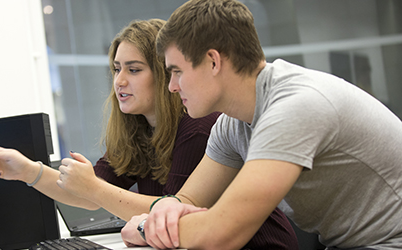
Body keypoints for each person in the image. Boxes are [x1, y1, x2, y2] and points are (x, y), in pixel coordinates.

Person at [0, 18, 299, 248]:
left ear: (165, 73)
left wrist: (97, 190)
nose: (120, 81)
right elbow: (84, 194)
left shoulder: (199, 127)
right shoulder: (138, 131)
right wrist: (27, 170)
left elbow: (172, 211)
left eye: (134, 69)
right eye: (116, 69)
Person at [121, 1, 402, 249]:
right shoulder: (232, 125)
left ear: (212, 61)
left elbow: (222, 233)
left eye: (177, 72)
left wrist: (147, 228)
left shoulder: (295, 107)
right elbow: (186, 200)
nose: (171, 86)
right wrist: (168, 210)